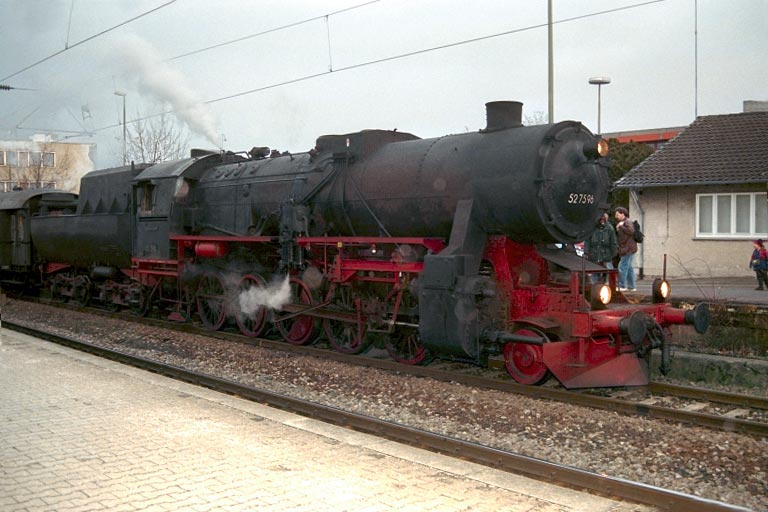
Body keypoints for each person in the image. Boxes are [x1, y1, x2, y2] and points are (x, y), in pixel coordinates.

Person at [584, 213, 617, 283]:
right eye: (600, 220)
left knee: (608, 272)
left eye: (603, 220)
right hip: (594, 254)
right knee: (594, 273)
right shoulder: (592, 228)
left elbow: (613, 242)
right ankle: (595, 287)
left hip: (606, 255)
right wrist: (586, 252)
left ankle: (607, 285)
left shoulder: (610, 229)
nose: (602, 222)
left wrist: (613, 254)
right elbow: (587, 241)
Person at [614, 207, 638, 291]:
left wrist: (621, 227)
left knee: (622, 266)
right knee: (629, 267)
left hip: (628, 248)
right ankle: (631, 286)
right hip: (628, 248)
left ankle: (622, 285)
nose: (616, 216)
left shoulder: (627, 222)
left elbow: (631, 231)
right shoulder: (623, 223)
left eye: (617, 214)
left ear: (622, 214)